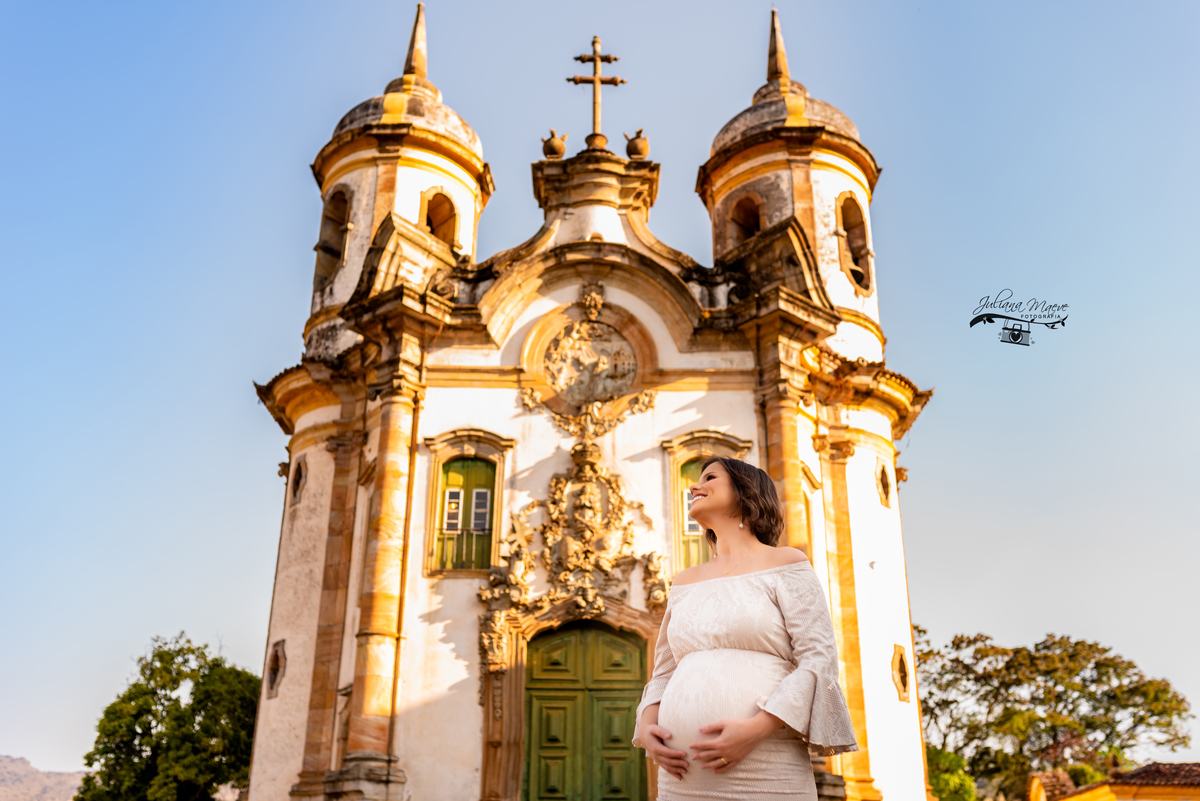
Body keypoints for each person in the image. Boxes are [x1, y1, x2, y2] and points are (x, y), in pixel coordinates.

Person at [632, 456, 858, 799]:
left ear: (745, 491)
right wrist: (647, 726)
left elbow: (818, 658)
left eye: (709, 477)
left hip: (765, 764)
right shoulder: (683, 581)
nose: (694, 486)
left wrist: (755, 729)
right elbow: (664, 672)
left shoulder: (786, 563)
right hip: (682, 778)